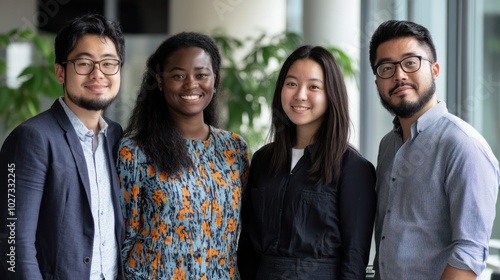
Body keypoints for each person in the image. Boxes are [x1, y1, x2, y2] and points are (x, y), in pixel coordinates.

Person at [369, 20, 500, 279]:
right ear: (377, 82)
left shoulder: (463, 145)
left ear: (435, 69)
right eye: (387, 67)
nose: (399, 75)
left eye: (410, 62)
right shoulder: (387, 145)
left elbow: (469, 253)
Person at [0, 13, 125, 279]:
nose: (98, 73)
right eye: (83, 63)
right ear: (60, 72)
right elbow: (13, 242)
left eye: (108, 63)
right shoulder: (32, 137)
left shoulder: (116, 136)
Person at [117, 32, 249, 279]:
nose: (191, 84)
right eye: (178, 76)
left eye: (201, 75)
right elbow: (125, 236)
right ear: (160, 81)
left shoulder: (234, 149)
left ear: (215, 79)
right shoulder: (134, 152)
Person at [237, 45, 377, 279]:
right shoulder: (262, 160)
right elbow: (248, 248)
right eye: (291, 84)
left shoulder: (353, 168)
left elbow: (354, 258)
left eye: (313, 87)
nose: (300, 95)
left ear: (331, 94)